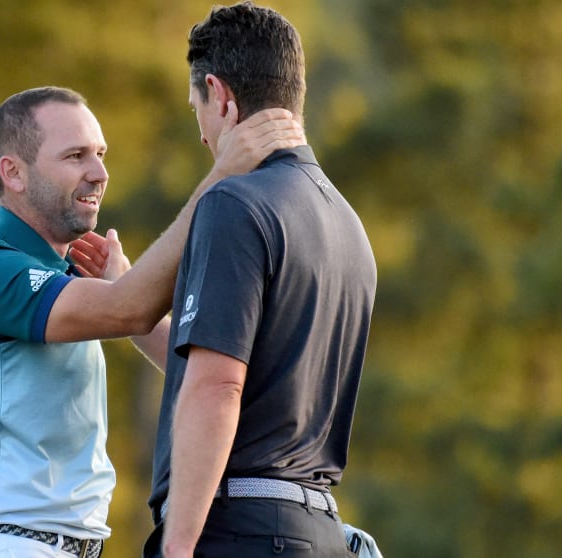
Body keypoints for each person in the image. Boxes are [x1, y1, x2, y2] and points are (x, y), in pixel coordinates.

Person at [0, 85, 306, 558]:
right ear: (14, 173)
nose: (100, 173)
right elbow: (130, 307)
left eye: (100, 154)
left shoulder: (63, 276)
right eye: (75, 156)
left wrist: (122, 288)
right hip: (0, 545)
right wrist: (222, 179)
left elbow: (189, 362)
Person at [142, 3, 378, 558]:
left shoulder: (233, 203)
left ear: (220, 96)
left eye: (198, 109)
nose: (204, 135)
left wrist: (178, 546)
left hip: (241, 533)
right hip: (319, 533)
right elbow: (256, 374)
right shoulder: (347, 223)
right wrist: (131, 300)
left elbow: (219, 387)